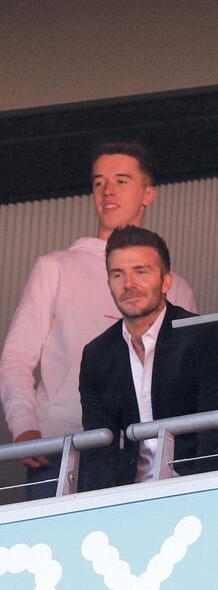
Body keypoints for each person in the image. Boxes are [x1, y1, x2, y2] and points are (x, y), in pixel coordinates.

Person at [0, 140, 197, 499]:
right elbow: (16, 355)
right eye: (98, 182)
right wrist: (25, 428)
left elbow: (191, 375)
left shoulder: (176, 286)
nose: (107, 191)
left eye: (122, 180)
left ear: (148, 193)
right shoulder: (56, 266)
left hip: (145, 454)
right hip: (62, 446)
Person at [79, 226, 218, 491]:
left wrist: (204, 495)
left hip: (198, 490)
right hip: (132, 499)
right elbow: (98, 451)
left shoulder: (205, 336)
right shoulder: (97, 355)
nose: (129, 284)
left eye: (141, 271)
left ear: (166, 281)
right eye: (118, 274)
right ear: (109, 284)